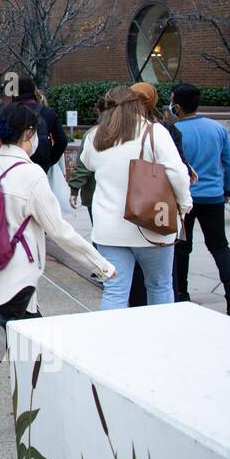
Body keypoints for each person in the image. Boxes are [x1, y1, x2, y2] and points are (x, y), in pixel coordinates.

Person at [0, 104, 116, 444]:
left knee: (39, 340)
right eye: (36, 133)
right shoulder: (32, 175)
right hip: (18, 275)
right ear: (28, 135)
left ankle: (52, 402)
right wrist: (102, 265)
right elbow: (60, 231)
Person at [80, 85, 192, 309]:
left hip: (109, 229)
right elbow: (177, 173)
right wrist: (184, 203)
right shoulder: (154, 132)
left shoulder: (96, 136)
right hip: (151, 223)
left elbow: (87, 163)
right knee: (159, 285)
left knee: (115, 290)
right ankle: (160, 340)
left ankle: (112, 342)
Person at [170, 83, 230, 317]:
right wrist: (228, 188)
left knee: (181, 248)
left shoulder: (173, 132)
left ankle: (182, 295)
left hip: (185, 199)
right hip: (213, 197)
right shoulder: (216, 129)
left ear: (177, 106)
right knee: (219, 245)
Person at [11, 77, 67, 174]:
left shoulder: (8, 111)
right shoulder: (47, 112)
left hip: (14, 163)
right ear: (33, 90)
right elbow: (62, 141)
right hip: (41, 163)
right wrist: (50, 160)